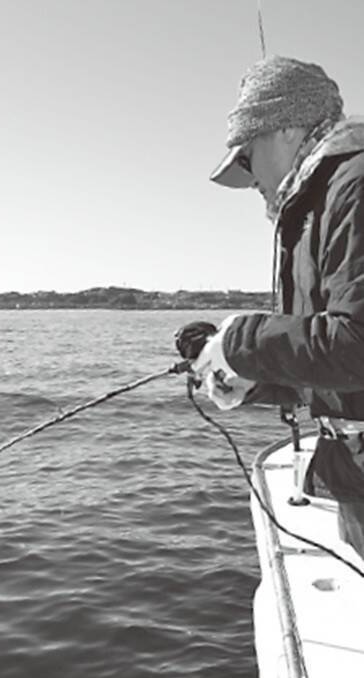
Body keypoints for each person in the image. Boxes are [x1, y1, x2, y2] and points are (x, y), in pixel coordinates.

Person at [175, 55, 364, 555]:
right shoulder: (317, 204)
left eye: (246, 156)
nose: (247, 176)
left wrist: (242, 342)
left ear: (284, 129)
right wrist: (251, 380)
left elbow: (357, 345)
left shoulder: (356, 186)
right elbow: (331, 364)